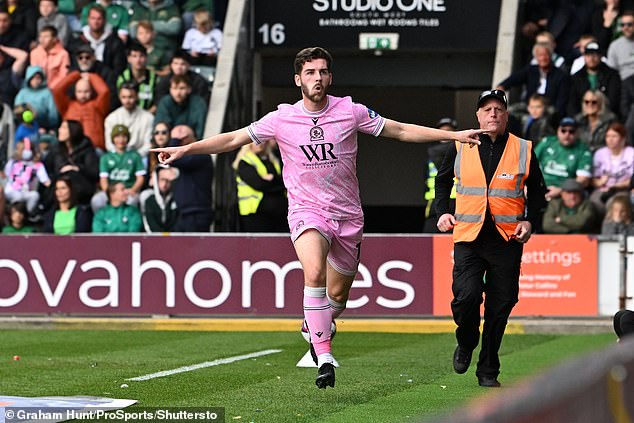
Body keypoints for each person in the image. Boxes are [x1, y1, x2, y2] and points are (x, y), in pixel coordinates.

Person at [151, 47, 483, 389]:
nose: (318, 78)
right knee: (314, 271)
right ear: (298, 80)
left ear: (330, 78)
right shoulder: (281, 118)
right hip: (307, 212)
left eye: (323, 72)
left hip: (348, 216)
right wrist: (185, 149)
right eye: (310, 72)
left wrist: (453, 136)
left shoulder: (349, 111)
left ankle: (317, 325)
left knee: (336, 300)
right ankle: (324, 356)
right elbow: (235, 138)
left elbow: (398, 130)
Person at [435, 89, 547, 388]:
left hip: (506, 239)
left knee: (501, 306)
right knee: (466, 297)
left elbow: (537, 191)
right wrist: (442, 212)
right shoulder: (460, 145)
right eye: (487, 109)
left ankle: (488, 370)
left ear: (506, 115)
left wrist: (529, 220)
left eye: (498, 109)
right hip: (469, 237)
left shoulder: (523, 148)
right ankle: (467, 339)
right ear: (478, 115)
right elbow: (442, 180)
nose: (493, 114)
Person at [497, 42, 571, 117]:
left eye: (545, 55)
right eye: (540, 55)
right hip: (529, 106)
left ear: (550, 56)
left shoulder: (560, 75)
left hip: (548, 108)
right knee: (508, 113)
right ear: (536, 58)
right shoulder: (531, 70)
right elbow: (513, 79)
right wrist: (502, 87)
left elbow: (561, 101)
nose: (543, 58)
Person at [165, 124, 213, 232]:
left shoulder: (202, 154)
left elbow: (172, 158)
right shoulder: (190, 158)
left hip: (196, 214)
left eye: (178, 141)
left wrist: (174, 139)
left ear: (185, 139)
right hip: (184, 214)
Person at [233, 141, 287, 232]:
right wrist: (276, 183)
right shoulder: (245, 162)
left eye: (263, 141)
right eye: (257, 142)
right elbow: (258, 184)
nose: (261, 144)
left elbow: (284, 181)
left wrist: (272, 178)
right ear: (249, 144)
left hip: (279, 211)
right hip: (255, 212)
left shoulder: (272, 160)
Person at [534, 116, 593, 200]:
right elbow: (529, 163)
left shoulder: (583, 150)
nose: (567, 134)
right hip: (539, 186)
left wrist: (561, 190)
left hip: (566, 192)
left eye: (571, 131)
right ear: (558, 131)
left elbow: (583, 180)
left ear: (577, 133)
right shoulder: (547, 142)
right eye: (563, 130)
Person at [91, 124, 145, 212]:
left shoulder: (135, 156)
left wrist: (132, 190)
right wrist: (110, 193)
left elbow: (140, 178)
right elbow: (103, 180)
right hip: (111, 191)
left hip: (128, 190)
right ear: (113, 139)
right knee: (97, 201)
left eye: (124, 136)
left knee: (132, 201)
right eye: (117, 136)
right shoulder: (106, 157)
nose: (121, 140)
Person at [44, 120, 99, 206]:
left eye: (64, 128)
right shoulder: (56, 149)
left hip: (81, 188)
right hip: (58, 184)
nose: (59, 130)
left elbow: (93, 172)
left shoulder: (86, 148)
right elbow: (46, 167)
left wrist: (76, 168)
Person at [52, 70, 110, 151]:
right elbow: (57, 90)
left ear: (91, 92)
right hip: (71, 147)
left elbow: (104, 92)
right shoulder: (67, 106)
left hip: (93, 148)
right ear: (75, 92)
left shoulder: (98, 106)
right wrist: (76, 75)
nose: (83, 95)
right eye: (79, 91)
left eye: (86, 91)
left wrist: (91, 76)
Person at [567, 41, 621, 118]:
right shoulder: (576, 77)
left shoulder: (612, 75)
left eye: (595, 55)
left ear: (601, 56)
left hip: (606, 117)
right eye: (588, 55)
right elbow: (572, 104)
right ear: (584, 56)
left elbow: (614, 100)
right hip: (582, 118)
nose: (591, 58)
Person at [422, 117, 457, 233]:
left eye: (448, 131)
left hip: (435, 205)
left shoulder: (429, 154)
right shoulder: (462, 151)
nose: (446, 134)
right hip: (459, 205)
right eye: (443, 131)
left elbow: (425, 182)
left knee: (429, 244)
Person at [591, 122, 634, 211]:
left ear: (623, 138)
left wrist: (618, 185)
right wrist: (599, 182)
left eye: (614, 136)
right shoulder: (599, 153)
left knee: (614, 204)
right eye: (608, 136)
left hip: (623, 190)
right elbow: (592, 179)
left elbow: (632, 179)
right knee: (594, 203)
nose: (610, 139)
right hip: (603, 189)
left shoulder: (631, 153)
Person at [104, 81, 154, 158]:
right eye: (124, 97)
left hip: (140, 157)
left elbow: (148, 145)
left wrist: (134, 157)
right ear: (119, 97)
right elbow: (109, 145)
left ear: (137, 96)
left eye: (130, 97)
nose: (127, 101)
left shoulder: (148, 118)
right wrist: (121, 157)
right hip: (116, 157)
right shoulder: (111, 118)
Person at [4, 138, 51, 215]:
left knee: (35, 196)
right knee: (17, 197)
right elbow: (6, 175)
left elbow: (45, 180)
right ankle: (13, 214)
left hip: (27, 192)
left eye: (21, 149)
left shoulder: (38, 165)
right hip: (12, 190)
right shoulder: (12, 162)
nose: (18, 152)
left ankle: (28, 215)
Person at [154, 74, 208, 139]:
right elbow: (160, 125)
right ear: (170, 90)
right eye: (175, 88)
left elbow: (200, 128)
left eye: (182, 88)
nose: (178, 93)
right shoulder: (165, 101)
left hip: (192, 140)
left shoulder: (198, 102)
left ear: (189, 89)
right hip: (169, 141)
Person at [13, 65, 59, 131]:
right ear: (28, 78)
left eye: (38, 78)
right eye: (33, 78)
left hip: (43, 125)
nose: (36, 81)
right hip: (24, 125)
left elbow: (52, 113)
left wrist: (50, 127)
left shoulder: (47, 93)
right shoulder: (23, 93)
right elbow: (17, 109)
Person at [115, 42, 157, 112]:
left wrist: (144, 116)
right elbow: (118, 101)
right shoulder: (122, 78)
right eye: (134, 56)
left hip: (149, 118)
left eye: (141, 56)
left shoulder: (155, 78)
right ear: (129, 59)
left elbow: (158, 103)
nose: (138, 60)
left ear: (146, 58)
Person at [140, 164, 178, 232]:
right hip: (153, 239)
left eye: (168, 180)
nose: (165, 184)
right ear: (156, 180)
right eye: (162, 180)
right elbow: (150, 225)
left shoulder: (176, 199)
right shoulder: (149, 200)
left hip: (173, 239)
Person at [607, 10, 634, 81]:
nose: (626, 28)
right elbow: (611, 71)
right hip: (624, 84)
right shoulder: (614, 46)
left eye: (629, 24)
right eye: (622, 25)